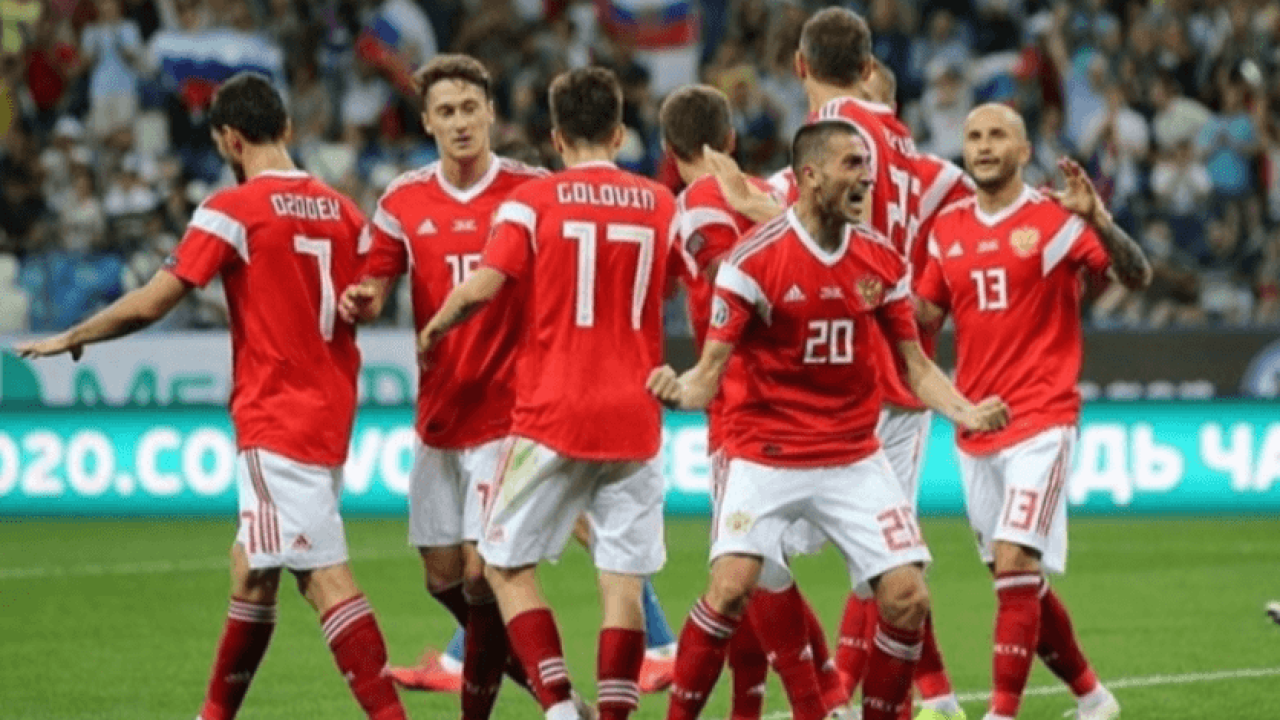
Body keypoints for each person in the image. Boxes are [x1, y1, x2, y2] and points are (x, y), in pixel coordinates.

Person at [15, 73, 407, 720]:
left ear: (229, 139)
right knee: (251, 569)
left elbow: (156, 300)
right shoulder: (343, 210)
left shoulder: (234, 209)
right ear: (286, 127)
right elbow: (375, 286)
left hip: (276, 414)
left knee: (322, 577)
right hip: (331, 409)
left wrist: (77, 334)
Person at [651, 120, 1010, 720]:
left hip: (852, 456)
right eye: (852, 164)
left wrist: (965, 410)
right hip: (765, 453)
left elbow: (916, 366)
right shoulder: (752, 262)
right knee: (732, 587)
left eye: (867, 165)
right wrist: (677, 392)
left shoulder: (881, 260)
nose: (867, 177)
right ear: (811, 176)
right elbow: (708, 374)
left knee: (907, 598)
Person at [418, 66, 683, 720]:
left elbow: (484, 286)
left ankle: (561, 708)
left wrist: (436, 326)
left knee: (503, 568)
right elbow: (679, 284)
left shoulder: (532, 201)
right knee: (622, 581)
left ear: (557, 138)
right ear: (619, 134)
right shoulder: (660, 204)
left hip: (550, 416)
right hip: (635, 417)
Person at [915, 103, 1152, 720]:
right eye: (974, 136)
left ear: (1024, 152)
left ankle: (1001, 713)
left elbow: (1136, 275)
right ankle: (1093, 698)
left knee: (1017, 562)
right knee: (1015, 578)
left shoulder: (1056, 219)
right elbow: (923, 319)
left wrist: (1099, 219)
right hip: (976, 424)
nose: (984, 145)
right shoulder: (946, 229)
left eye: (998, 135)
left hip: (1041, 420)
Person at [337, 53, 546, 718]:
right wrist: (363, 300)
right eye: (446, 112)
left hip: (511, 413)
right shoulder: (402, 200)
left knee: (486, 575)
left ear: (491, 113)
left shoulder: (532, 191)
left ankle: (550, 701)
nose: (460, 122)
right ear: (426, 122)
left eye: (470, 109)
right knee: (444, 578)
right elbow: (375, 278)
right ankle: (552, 688)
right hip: (440, 412)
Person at [660, 83, 845, 720]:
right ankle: (816, 698)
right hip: (802, 394)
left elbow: (726, 282)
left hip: (743, 404)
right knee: (759, 569)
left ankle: (817, 704)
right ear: (731, 139)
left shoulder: (695, 205)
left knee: (750, 570)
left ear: (669, 150)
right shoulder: (779, 194)